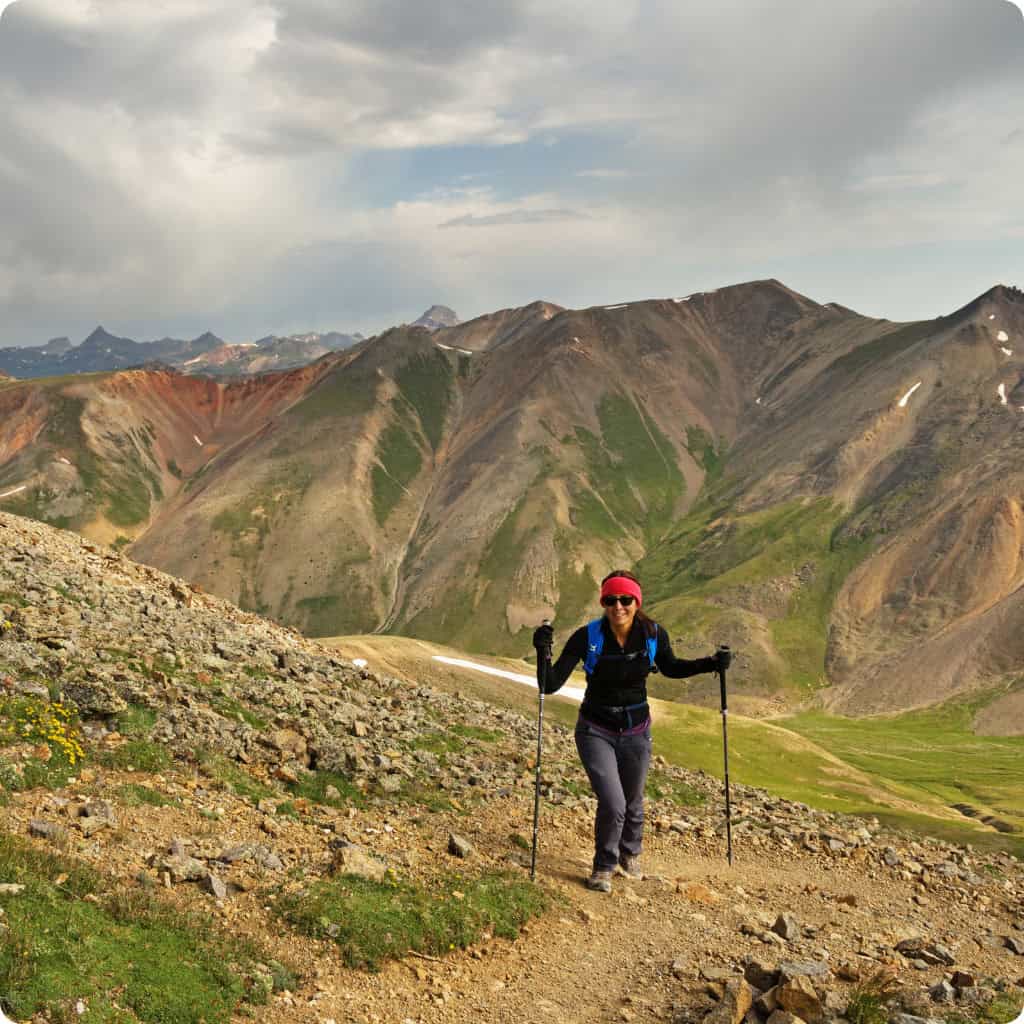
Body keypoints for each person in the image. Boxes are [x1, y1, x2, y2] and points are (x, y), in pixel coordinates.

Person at [533, 569, 730, 893]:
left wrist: (711, 664)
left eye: (625, 599)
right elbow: (549, 684)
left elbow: (671, 667)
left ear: (637, 602)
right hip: (595, 730)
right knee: (614, 803)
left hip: (637, 730)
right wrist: (542, 651)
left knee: (633, 801)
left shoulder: (653, 635)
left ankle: (630, 855)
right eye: (610, 600)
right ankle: (603, 867)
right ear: (603, 603)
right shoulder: (587, 637)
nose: (618, 606)